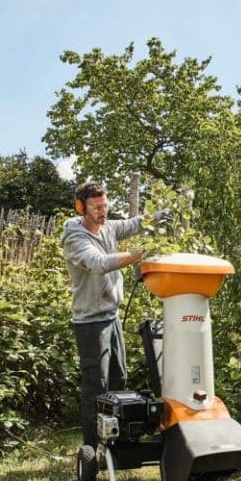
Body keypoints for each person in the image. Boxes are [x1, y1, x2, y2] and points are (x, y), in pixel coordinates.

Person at [62, 181, 169, 448]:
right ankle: (93, 446)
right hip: (90, 323)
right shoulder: (75, 238)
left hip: (111, 317)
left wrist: (158, 217)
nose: (102, 212)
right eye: (96, 207)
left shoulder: (108, 227)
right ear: (80, 207)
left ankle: (116, 438)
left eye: (105, 206)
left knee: (118, 378)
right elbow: (98, 263)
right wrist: (138, 254)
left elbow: (134, 224)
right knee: (95, 386)